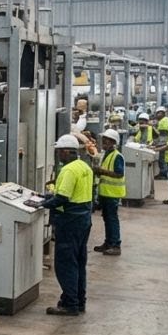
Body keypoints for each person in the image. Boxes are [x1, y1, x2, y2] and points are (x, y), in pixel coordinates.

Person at [39, 135, 93, 316]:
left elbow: (62, 198)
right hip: (84, 219)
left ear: (66, 151)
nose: (58, 155)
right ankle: (79, 301)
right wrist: (48, 197)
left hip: (69, 222)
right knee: (78, 262)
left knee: (66, 264)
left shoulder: (68, 170)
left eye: (59, 152)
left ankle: (69, 304)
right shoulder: (85, 166)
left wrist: (40, 204)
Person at [92, 129, 125, 256]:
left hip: (112, 193)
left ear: (113, 142)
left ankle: (115, 245)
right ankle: (108, 242)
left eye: (106, 140)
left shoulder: (117, 156)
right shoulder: (106, 154)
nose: (103, 141)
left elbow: (119, 173)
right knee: (107, 218)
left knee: (112, 219)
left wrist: (101, 171)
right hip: (105, 193)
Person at [153, 107, 168, 179]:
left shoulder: (164, 120)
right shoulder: (163, 120)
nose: (157, 115)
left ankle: (163, 174)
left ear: (162, 113)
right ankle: (163, 172)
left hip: (164, 142)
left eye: (158, 113)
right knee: (162, 158)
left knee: (162, 159)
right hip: (164, 141)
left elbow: (163, 134)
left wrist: (158, 145)